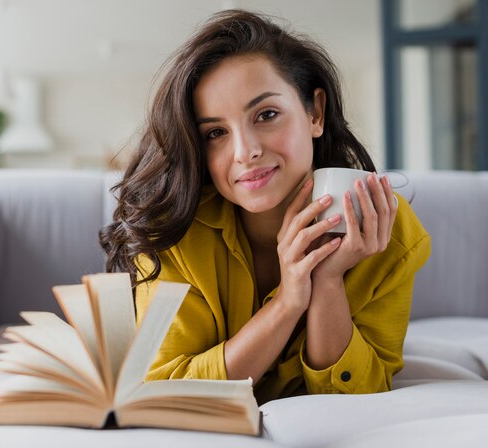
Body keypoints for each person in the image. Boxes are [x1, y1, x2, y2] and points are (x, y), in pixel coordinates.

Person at [100, 9, 431, 404]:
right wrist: (289, 302)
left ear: (315, 113)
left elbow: (364, 394)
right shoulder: (175, 229)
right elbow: (167, 391)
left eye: (267, 115)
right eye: (216, 133)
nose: (246, 152)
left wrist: (327, 281)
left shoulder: (384, 223)